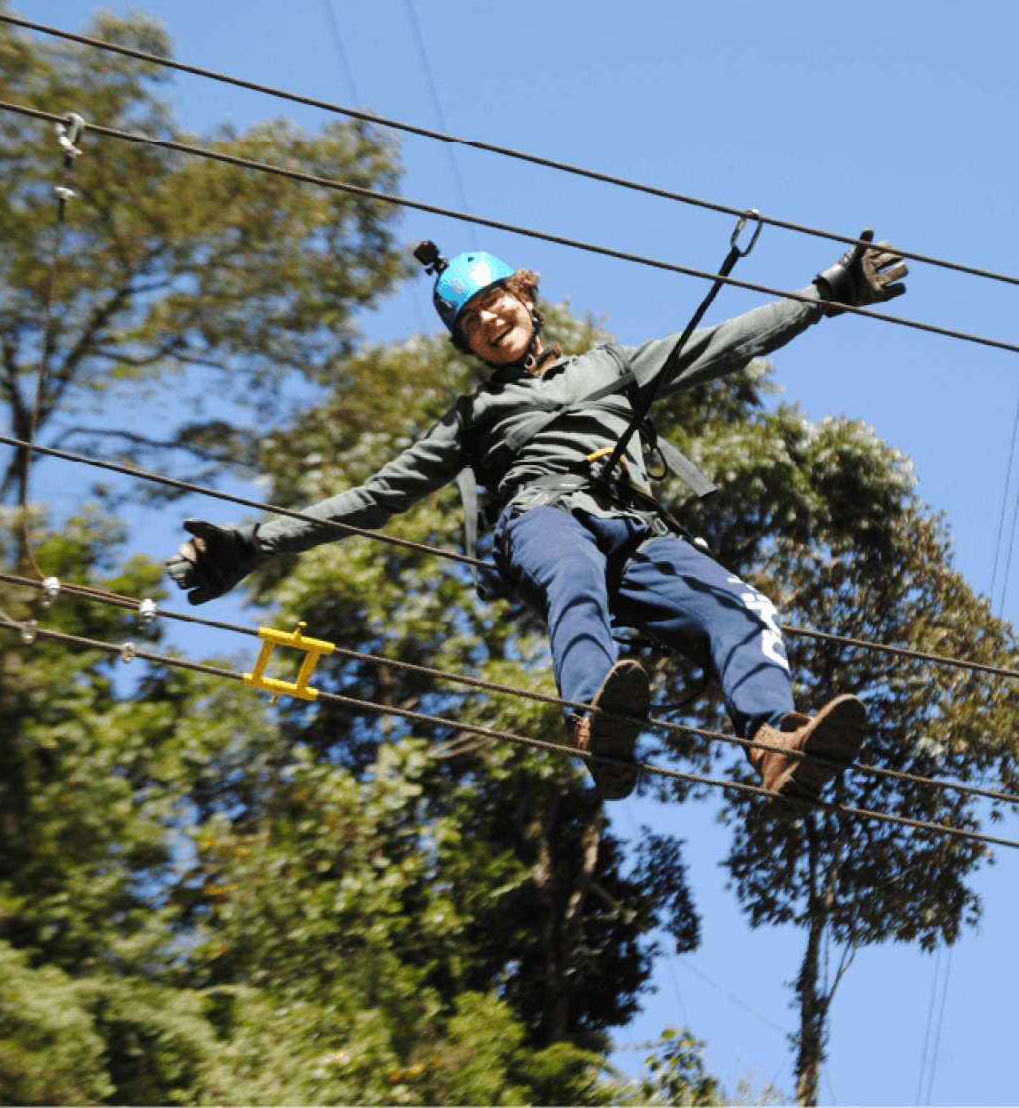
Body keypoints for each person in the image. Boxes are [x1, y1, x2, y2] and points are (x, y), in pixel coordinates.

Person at [166, 232, 907, 804]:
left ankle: (775, 741)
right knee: (572, 573)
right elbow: (372, 497)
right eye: (472, 320)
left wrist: (827, 292)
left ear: (527, 299)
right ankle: (592, 718)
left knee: (743, 607)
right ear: (468, 344)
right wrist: (256, 543)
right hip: (542, 517)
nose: (491, 319)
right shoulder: (474, 415)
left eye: (497, 301)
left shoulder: (609, 367)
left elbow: (729, 342)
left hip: (637, 527)